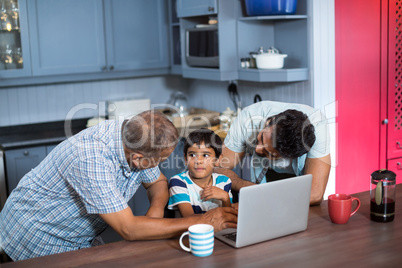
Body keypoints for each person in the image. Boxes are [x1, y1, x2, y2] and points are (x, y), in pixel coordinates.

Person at [0, 110, 237, 261]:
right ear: (137, 159)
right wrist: (204, 220)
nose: (163, 166)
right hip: (37, 237)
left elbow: (157, 183)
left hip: (81, 237)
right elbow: (128, 229)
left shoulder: (139, 136)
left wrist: (154, 216)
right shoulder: (91, 159)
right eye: (161, 161)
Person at [216, 101, 331, 205]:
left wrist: (241, 184)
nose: (257, 149)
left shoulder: (318, 127)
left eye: (268, 152)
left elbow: (314, 195)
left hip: (297, 179)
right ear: (270, 121)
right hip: (268, 176)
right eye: (261, 137)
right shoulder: (248, 118)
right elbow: (218, 168)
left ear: (291, 157)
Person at [168, 129, 233, 217]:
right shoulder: (179, 182)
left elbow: (229, 217)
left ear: (217, 160)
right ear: (186, 159)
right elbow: (189, 218)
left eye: (205, 155)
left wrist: (225, 198)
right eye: (192, 155)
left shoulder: (224, 181)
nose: (198, 161)